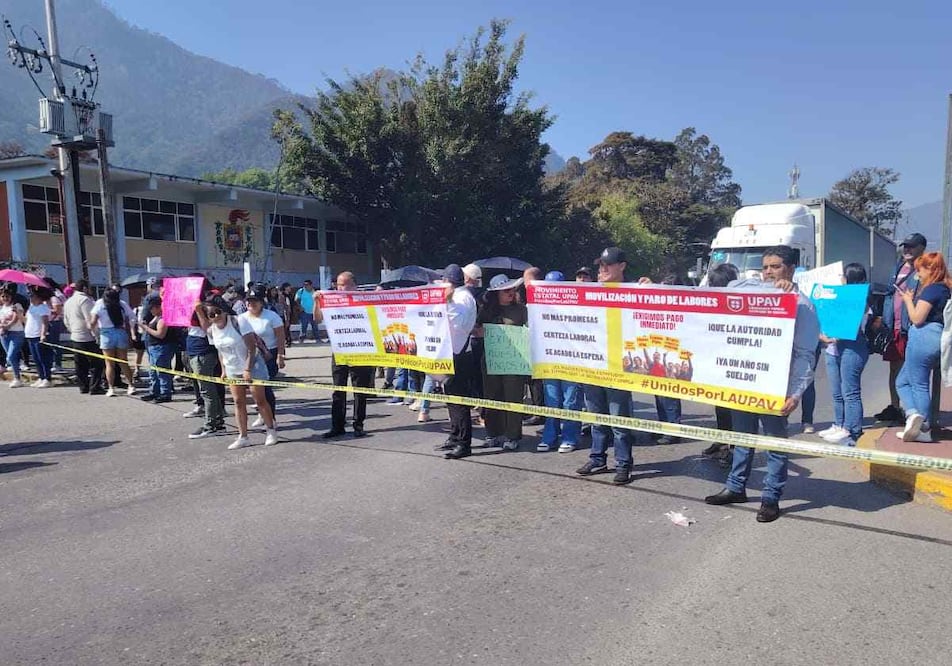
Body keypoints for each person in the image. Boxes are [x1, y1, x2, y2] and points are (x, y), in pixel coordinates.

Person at [705, 245, 820, 523]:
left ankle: (771, 498)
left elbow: (806, 355)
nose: (768, 272)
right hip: (746, 382)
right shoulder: (754, 291)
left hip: (776, 386)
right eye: (765, 266)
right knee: (742, 438)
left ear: (791, 269)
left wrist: (795, 393)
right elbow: (732, 283)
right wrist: (765, 284)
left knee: (774, 443)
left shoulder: (802, 305)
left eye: (775, 267)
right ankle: (735, 487)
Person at [577, 247, 636, 485]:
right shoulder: (591, 292)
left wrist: (650, 285)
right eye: (600, 265)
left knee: (619, 419)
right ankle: (598, 458)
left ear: (622, 266)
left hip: (619, 368)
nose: (602, 269)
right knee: (597, 417)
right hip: (593, 365)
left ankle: (623, 463)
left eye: (608, 265)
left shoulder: (634, 292)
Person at [197, 296, 278, 450]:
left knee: (260, 400)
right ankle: (243, 436)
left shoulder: (238, 322)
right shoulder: (211, 330)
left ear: (223, 309)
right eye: (211, 315)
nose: (215, 316)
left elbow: (251, 348)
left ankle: (271, 430)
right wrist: (223, 370)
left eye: (217, 312)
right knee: (238, 402)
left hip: (252, 366)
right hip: (232, 368)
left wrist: (247, 369)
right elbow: (220, 352)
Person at [895, 252, 951, 442]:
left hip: (923, 336)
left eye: (921, 269)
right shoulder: (946, 289)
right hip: (937, 337)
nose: (918, 274)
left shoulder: (932, 290)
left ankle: (922, 425)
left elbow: (917, 319)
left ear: (931, 269)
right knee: (902, 381)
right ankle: (914, 417)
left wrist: (908, 301)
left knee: (918, 384)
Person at [817, 263, 871, 447]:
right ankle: (839, 424)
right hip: (833, 349)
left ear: (850, 278)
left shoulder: (860, 300)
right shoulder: (840, 296)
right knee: (837, 392)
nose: (840, 278)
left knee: (850, 392)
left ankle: (853, 430)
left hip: (853, 348)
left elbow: (851, 324)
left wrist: (835, 334)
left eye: (843, 275)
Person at [875, 233, 927, 423]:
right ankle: (895, 407)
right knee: (894, 369)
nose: (907, 249)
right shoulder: (899, 267)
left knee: (912, 372)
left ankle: (914, 412)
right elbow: (891, 293)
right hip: (894, 328)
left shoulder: (925, 270)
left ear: (922, 247)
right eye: (905, 246)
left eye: (911, 246)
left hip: (911, 327)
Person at [316, 271, 375, 439]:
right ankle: (337, 426)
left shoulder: (364, 300)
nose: (340, 287)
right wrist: (317, 302)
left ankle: (358, 425)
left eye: (345, 284)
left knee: (359, 390)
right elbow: (318, 318)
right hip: (340, 351)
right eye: (339, 284)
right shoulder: (332, 301)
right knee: (338, 390)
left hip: (360, 351)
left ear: (354, 285)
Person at [476, 273, 528, 451]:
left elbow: (529, 331)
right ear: (496, 293)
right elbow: (474, 330)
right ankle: (493, 433)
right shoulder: (486, 311)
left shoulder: (521, 310)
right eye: (506, 290)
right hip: (491, 360)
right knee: (492, 397)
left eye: (512, 289)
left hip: (514, 361)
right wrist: (481, 332)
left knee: (512, 397)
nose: (510, 293)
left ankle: (512, 436)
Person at [539, 270, 583, 453]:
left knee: (570, 402)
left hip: (571, 362)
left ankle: (570, 437)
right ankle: (549, 437)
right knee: (552, 401)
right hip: (549, 361)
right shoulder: (538, 309)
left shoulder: (575, 307)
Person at [700, 263, 739, 464]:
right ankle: (722, 440)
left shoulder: (739, 302)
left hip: (734, 367)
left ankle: (732, 449)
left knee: (732, 409)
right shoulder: (711, 302)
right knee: (720, 407)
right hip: (716, 365)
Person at [438, 264, 479, 460]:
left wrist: (448, 302)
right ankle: (455, 435)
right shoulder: (458, 296)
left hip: (459, 354)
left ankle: (464, 443)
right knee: (451, 398)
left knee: (459, 400)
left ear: (447, 281)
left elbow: (459, 326)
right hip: (451, 353)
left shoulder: (461, 298)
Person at [239, 287, 286, 427]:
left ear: (261, 302)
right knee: (254, 388)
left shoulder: (271, 316)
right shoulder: (241, 318)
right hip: (249, 357)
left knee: (265, 388)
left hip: (268, 355)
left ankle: (271, 418)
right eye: (249, 301)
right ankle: (262, 413)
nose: (251, 304)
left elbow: (280, 337)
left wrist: (280, 355)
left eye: (255, 301)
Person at [185, 298, 227, 439]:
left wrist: (199, 311)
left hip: (203, 353)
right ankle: (218, 422)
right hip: (195, 352)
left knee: (207, 391)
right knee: (208, 390)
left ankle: (211, 425)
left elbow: (209, 329)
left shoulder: (208, 308)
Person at [89, 289, 137, 397]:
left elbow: (92, 322)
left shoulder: (100, 304)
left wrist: (94, 333)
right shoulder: (122, 304)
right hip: (120, 332)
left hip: (106, 334)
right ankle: (131, 385)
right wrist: (131, 331)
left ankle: (111, 388)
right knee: (123, 361)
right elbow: (132, 317)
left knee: (109, 364)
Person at [63, 279, 105, 394]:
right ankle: (95, 386)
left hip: (75, 335)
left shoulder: (69, 301)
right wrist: (97, 335)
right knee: (97, 363)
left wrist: (72, 330)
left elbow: (66, 320)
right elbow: (90, 320)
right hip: (87, 336)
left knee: (80, 364)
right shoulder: (85, 300)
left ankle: (83, 386)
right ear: (85, 288)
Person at [522, 266, 546, 426]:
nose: (524, 283)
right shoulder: (530, 300)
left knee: (536, 381)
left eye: (526, 279)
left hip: (539, 348)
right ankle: (537, 410)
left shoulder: (541, 300)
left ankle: (540, 412)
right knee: (531, 381)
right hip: (530, 345)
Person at [138, 297, 173, 403]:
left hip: (160, 347)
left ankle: (165, 393)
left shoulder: (162, 319)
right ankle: (154, 391)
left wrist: (146, 328)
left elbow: (160, 334)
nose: (151, 310)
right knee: (153, 372)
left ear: (159, 307)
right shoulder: (155, 317)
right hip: (152, 347)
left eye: (152, 308)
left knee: (162, 371)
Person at [24, 289, 53, 388]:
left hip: (38, 335)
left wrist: (43, 334)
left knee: (43, 358)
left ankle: (47, 378)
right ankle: (41, 377)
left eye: (33, 296)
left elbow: (45, 322)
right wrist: (19, 313)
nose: (31, 298)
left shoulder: (43, 307)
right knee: (36, 358)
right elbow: (26, 320)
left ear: (39, 297)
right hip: (30, 335)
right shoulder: (31, 308)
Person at [0, 287, 26, 388]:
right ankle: (17, 378)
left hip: (16, 333)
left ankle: (17, 375)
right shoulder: (2, 308)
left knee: (10, 356)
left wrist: (8, 326)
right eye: (3, 296)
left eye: (7, 296)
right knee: (12, 357)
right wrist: (2, 327)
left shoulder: (16, 306)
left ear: (11, 297)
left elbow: (16, 318)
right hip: (4, 334)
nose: (5, 298)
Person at [44, 278, 66, 373]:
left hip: (54, 321)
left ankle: (57, 363)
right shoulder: (47, 295)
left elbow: (58, 310)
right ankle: (52, 362)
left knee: (54, 343)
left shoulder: (55, 295)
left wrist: (47, 311)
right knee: (50, 343)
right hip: (48, 321)